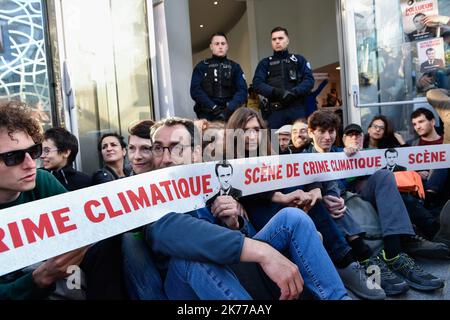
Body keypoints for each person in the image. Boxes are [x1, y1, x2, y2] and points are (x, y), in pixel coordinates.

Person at [145, 117, 350, 300]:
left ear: (197, 153)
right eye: (157, 148)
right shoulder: (146, 192)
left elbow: (240, 237)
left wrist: (233, 224)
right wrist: (263, 252)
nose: (166, 158)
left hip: (233, 275)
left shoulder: (212, 185)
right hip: (187, 284)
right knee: (193, 257)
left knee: (292, 218)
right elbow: (171, 231)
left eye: (176, 147)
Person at [0, 101, 128, 300]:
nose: (30, 164)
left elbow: (84, 231)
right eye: (12, 157)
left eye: (34, 151)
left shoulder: (42, 181)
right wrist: (39, 278)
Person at [305, 110, 445, 292]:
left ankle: (394, 253)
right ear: (311, 133)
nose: (327, 136)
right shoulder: (303, 158)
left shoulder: (343, 152)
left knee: (384, 175)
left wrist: (355, 155)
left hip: (354, 198)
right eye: (321, 131)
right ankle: (365, 257)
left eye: (331, 131)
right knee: (330, 189)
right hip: (332, 206)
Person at [253, 27, 314, 129]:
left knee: (300, 141)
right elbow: (257, 84)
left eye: (280, 38)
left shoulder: (299, 60)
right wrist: (277, 92)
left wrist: (294, 92)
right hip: (274, 112)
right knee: (274, 143)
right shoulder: (265, 63)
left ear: (287, 40)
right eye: (274, 39)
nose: (277, 41)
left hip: (296, 109)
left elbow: (309, 81)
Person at [190, 32, 247, 121]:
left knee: (232, 135)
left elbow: (242, 91)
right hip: (207, 115)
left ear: (227, 46)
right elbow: (195, 90)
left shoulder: (235, 67)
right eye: (217, 44)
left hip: (230, 115)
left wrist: (229, 109)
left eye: (223, 44)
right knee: (206, 135)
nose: (220, 46)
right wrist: (213, 107)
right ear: (211, 47)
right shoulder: (201, 66)